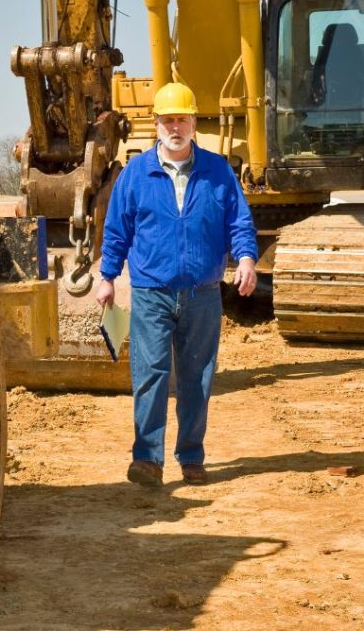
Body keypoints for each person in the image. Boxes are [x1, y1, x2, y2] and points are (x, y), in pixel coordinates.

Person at [95, 82, 258, 487]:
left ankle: (191, 456)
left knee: (197, 377)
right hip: (151, 293)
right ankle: (147, 459)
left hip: (202, 293)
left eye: (182, 119)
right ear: (156, 125)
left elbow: (238, 221)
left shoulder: (218, 171)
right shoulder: (136, 174)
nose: (175, 127)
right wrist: (107, 277)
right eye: (167, 119)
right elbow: (117, 229)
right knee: (150, 373)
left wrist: (248, 259)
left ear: (193, 124)